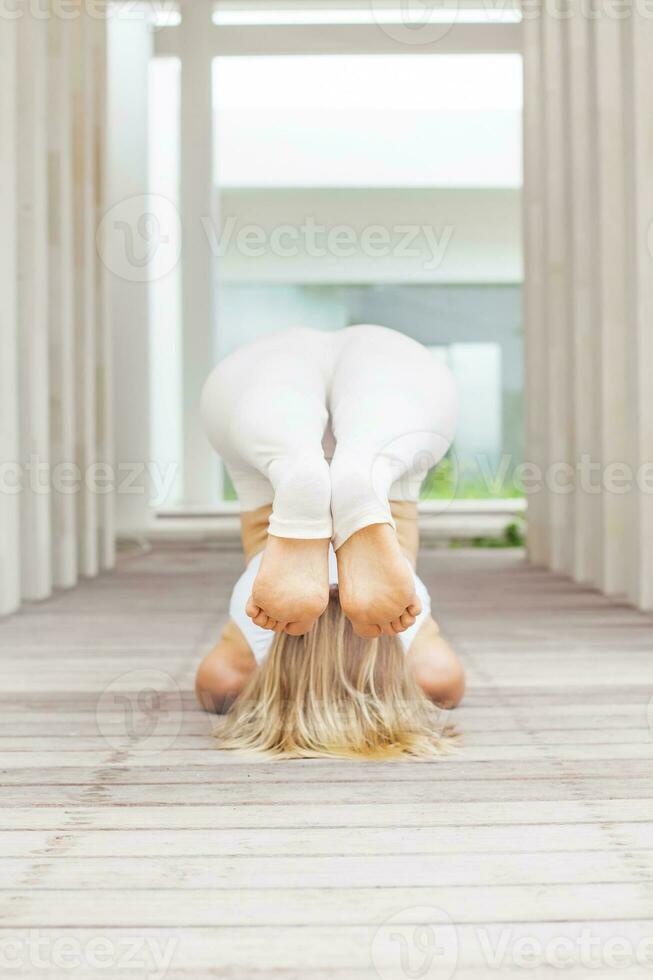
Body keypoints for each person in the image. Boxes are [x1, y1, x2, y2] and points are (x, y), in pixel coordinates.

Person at [196, 325, 465, 758]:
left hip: (400, 374)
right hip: (253, 382)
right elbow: (214, 684)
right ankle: (303, 470)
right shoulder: (235, 672)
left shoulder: (427, 669)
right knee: (276, 444)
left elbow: (443, 679)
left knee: (382, 449)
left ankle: (361, 474)